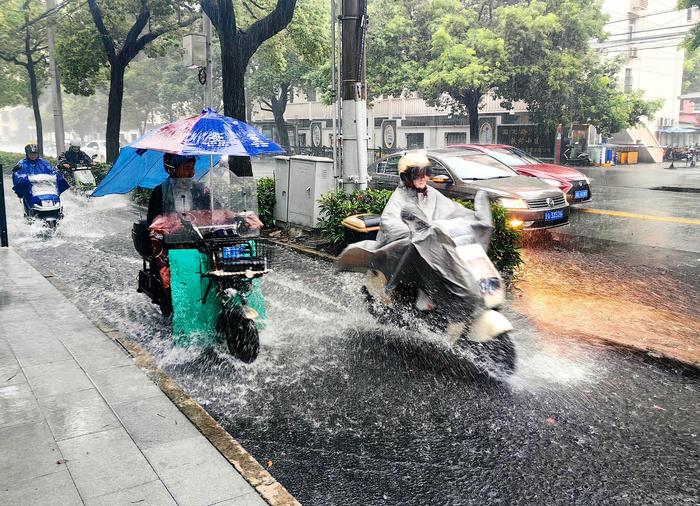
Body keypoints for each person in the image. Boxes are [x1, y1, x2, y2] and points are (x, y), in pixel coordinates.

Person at [12, 143, 70, 212]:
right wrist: (24, 178)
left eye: (35, 154)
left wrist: (56, 175)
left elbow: (52, 171)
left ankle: (56, 210)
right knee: (28, 198)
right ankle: (29, 213)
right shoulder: (22, 164)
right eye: (31, 154)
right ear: (27, 154)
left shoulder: (43, 163)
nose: (33, 156)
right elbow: (17, 174)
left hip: (46, 187)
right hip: (30, 189)